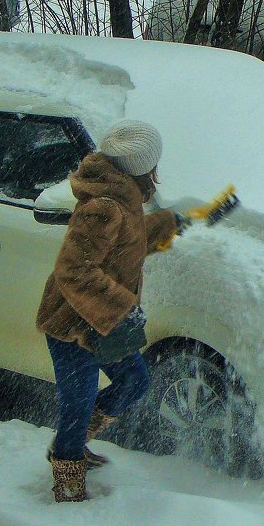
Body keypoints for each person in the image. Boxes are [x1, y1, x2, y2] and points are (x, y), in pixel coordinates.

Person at [35, 119, 181, 503]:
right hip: (72, 324)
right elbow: (73, 269)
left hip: (102, 322)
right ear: (142, 167)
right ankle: (67, 476)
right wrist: (122, 305)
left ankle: (75, 439)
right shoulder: (103, 207)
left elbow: (123, 244)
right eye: (154, 163)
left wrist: (168, 225)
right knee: (78, 401)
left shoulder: (123, 197)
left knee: (135, 381)